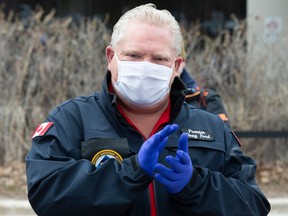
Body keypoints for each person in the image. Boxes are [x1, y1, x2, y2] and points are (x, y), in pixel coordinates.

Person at [26, 4, 270, 216]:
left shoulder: (212, 127)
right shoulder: (71, 120)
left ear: (176, 66)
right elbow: (46, 196)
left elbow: (253, 206)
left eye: (159, 59)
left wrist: (194, 186)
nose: (145, 67)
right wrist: (130, 173)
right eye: (133, 55)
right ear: (111, 57)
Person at [177, 41, 231, 127]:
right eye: (159, 59)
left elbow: (224, 135)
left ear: (183, 62)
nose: (173, 66)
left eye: (178, 60)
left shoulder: (206, 99)